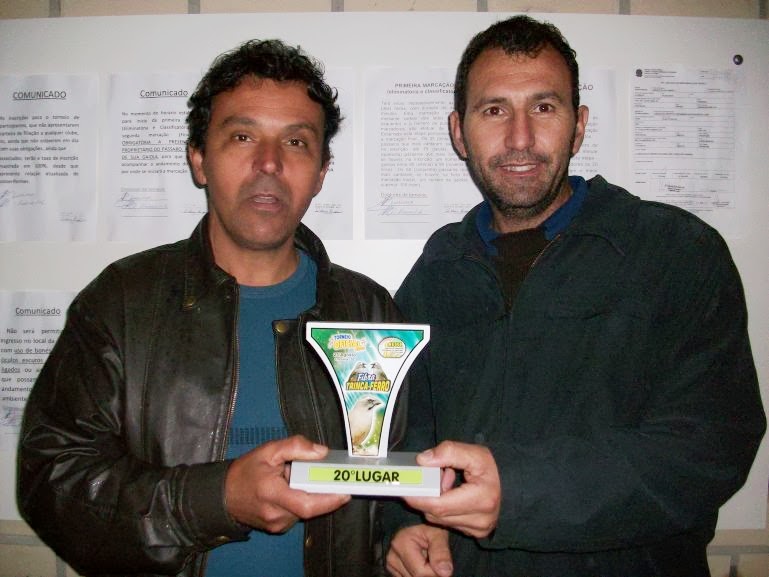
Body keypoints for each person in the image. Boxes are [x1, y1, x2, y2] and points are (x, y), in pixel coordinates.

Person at [385, 15, 765, 577]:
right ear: (459, 132)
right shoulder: (436, 270)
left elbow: (711, 446)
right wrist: (406, 522)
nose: (520, 138)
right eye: (494, 110)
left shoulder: (677, 252)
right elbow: (405, 429)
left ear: (579, 126)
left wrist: (517, 492)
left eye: (544, 107)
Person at [17, 39, 402, 577]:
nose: (269, 163)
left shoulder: (369, 310)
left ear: (320, 172)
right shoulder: (122, 301)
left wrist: (407, 533)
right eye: (242, 136)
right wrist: (214, 500)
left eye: (296, 142)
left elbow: (391, 483)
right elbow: (51, 482)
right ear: (199, 158)